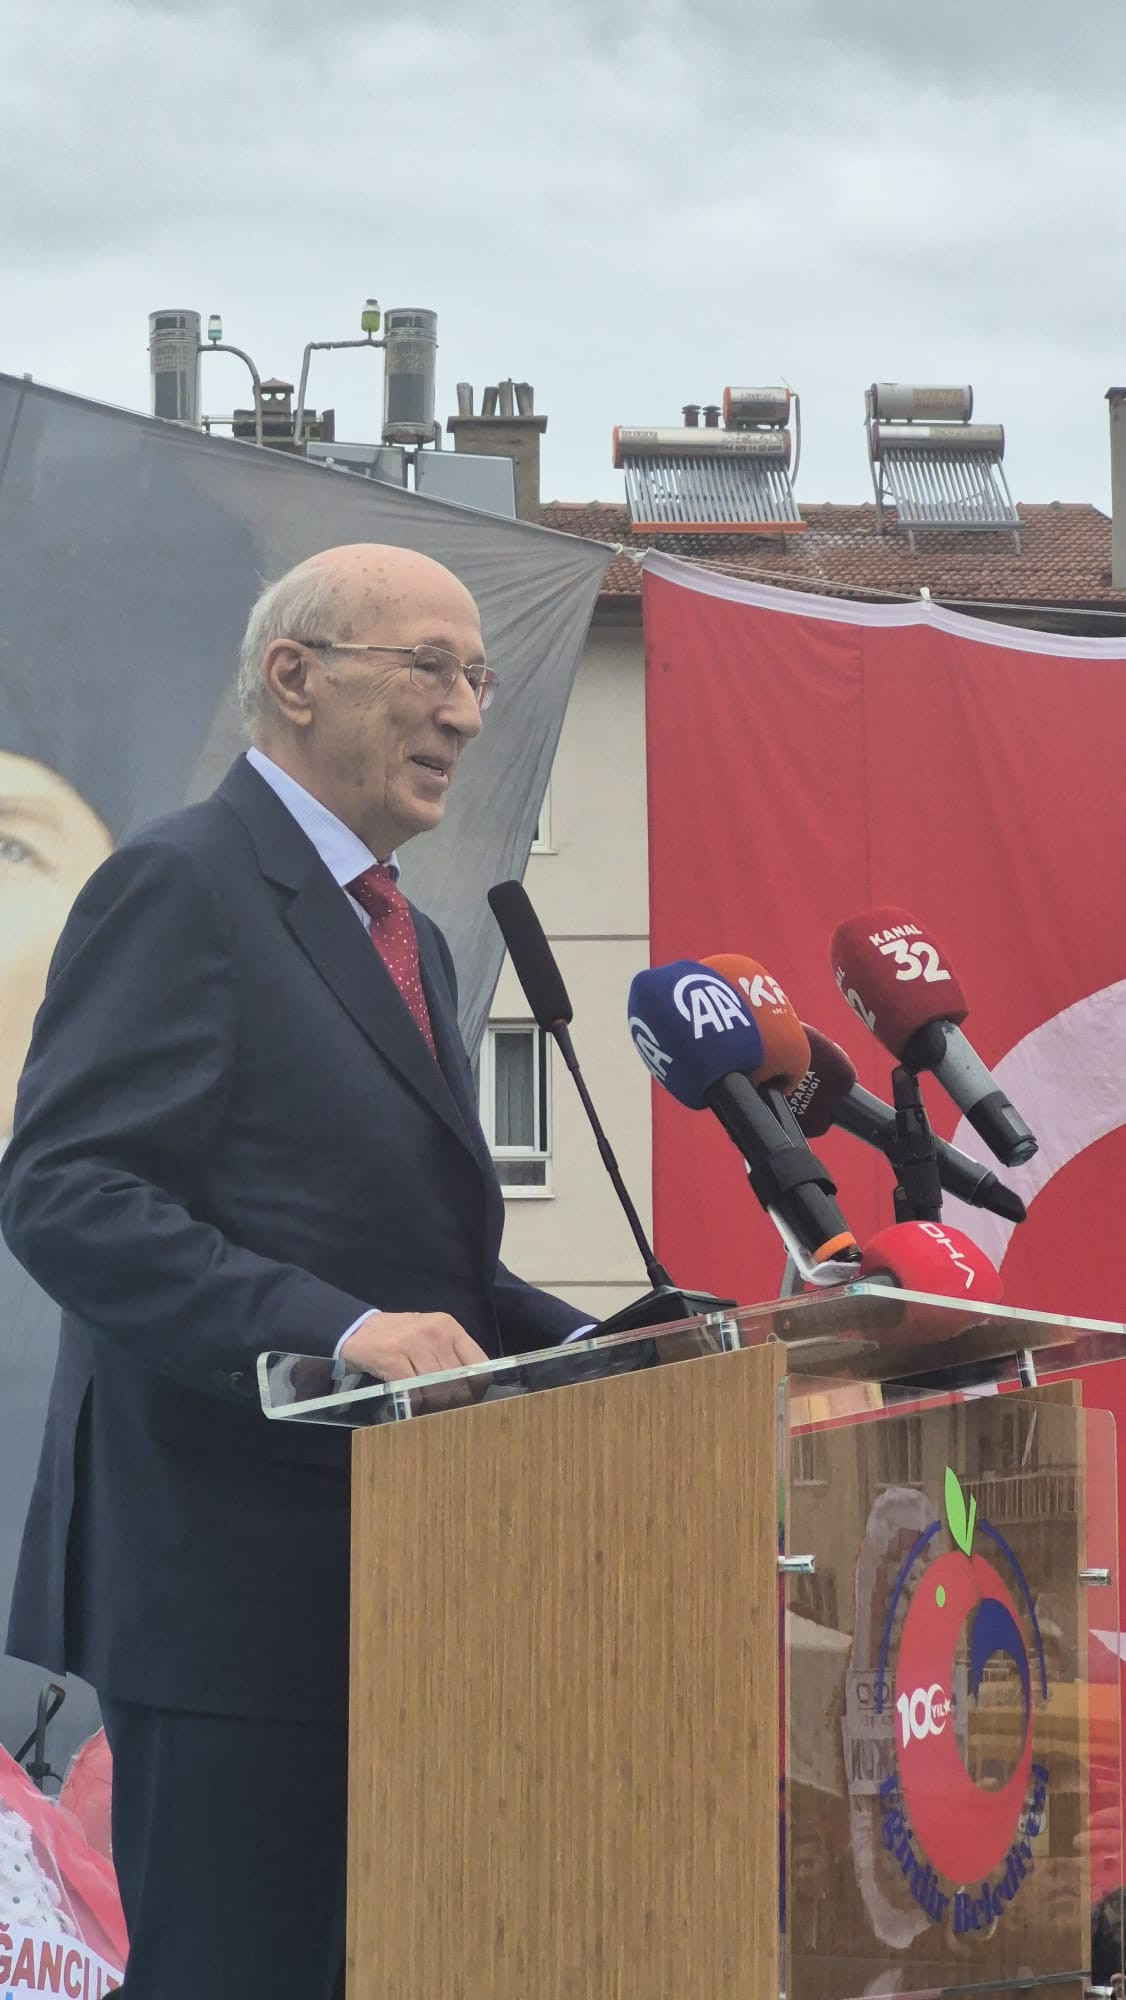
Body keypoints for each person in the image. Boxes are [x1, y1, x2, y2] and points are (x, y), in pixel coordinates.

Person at [0, 542, 589, 1999]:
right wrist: (337, 1327)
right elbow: (67, 1192)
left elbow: (425, 1267)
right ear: (296, 676)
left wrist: (633, 1343)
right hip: (226, 1584)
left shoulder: (409, 933)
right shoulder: (179, 883)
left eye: (478, 676)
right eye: (430, 668)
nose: (465, 712)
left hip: (393, 1578)